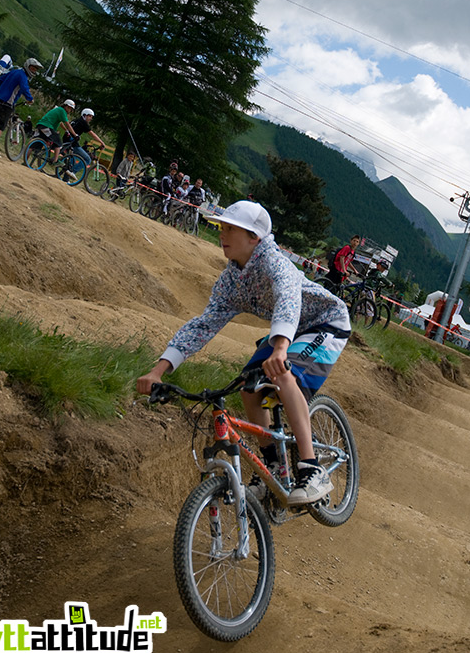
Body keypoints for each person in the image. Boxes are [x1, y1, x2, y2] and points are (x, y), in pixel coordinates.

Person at [137, 200, 351, 506]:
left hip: (324, 323)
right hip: (286, 333)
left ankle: (311, 467)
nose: (222, 234)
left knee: (281, 373)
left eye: (231, 229)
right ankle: (274, 464)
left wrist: (280, 348)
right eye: (221, 228)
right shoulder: (230, 281)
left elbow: (289, 300)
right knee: (249, 388)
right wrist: (159, 370)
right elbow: (204, 324)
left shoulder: (275, 263)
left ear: (254, 238)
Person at [0, 58, 43, 157]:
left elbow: (0, 80)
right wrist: (30, 99)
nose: (34, 71)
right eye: (33, 68)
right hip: (6, 103)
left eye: (35, 69)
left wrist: (0, 91)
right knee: (0, 126)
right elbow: (24, 88)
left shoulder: (14, 71)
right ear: (27, 66)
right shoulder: (22, 76)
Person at [34, 99, 78, 174]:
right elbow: (67, 124)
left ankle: (26, 161)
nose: (70, 110)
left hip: (40, 125)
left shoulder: (58, 110)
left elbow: (61, 123)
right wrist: (75, 134)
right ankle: (55, 161)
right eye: (70, 108)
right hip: (47, 126)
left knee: (34, 145)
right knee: (58, 142)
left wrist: (66, 130)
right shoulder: (62, 111)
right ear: (66, 106)